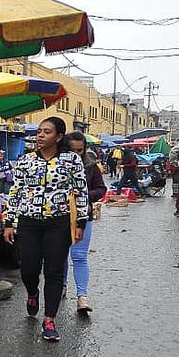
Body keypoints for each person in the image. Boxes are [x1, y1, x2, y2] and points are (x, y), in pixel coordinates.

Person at [3, 117, 89, 342]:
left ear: (59, 136)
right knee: (29, 269)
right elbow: (16, 191)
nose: (40, 135)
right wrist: (9, 222)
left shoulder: (71, 160)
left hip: (58, 223)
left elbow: (80, 192)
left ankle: (49, 319)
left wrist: (81, 223)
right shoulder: (25, 161)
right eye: (39, 131)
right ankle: (32, 293)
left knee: (54, 271)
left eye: (47, 132)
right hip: (29, 222)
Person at [63, 132, 107, 314]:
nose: (76, 155)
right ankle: (62, 286)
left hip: (83, 216)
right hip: (60, 217)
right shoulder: (56, 165)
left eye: (79, 151)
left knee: (79, 256)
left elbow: (101, 188)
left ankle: (82, 297)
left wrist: (85, 196)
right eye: (71, 150)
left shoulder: (91, 166)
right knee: (59, 256)